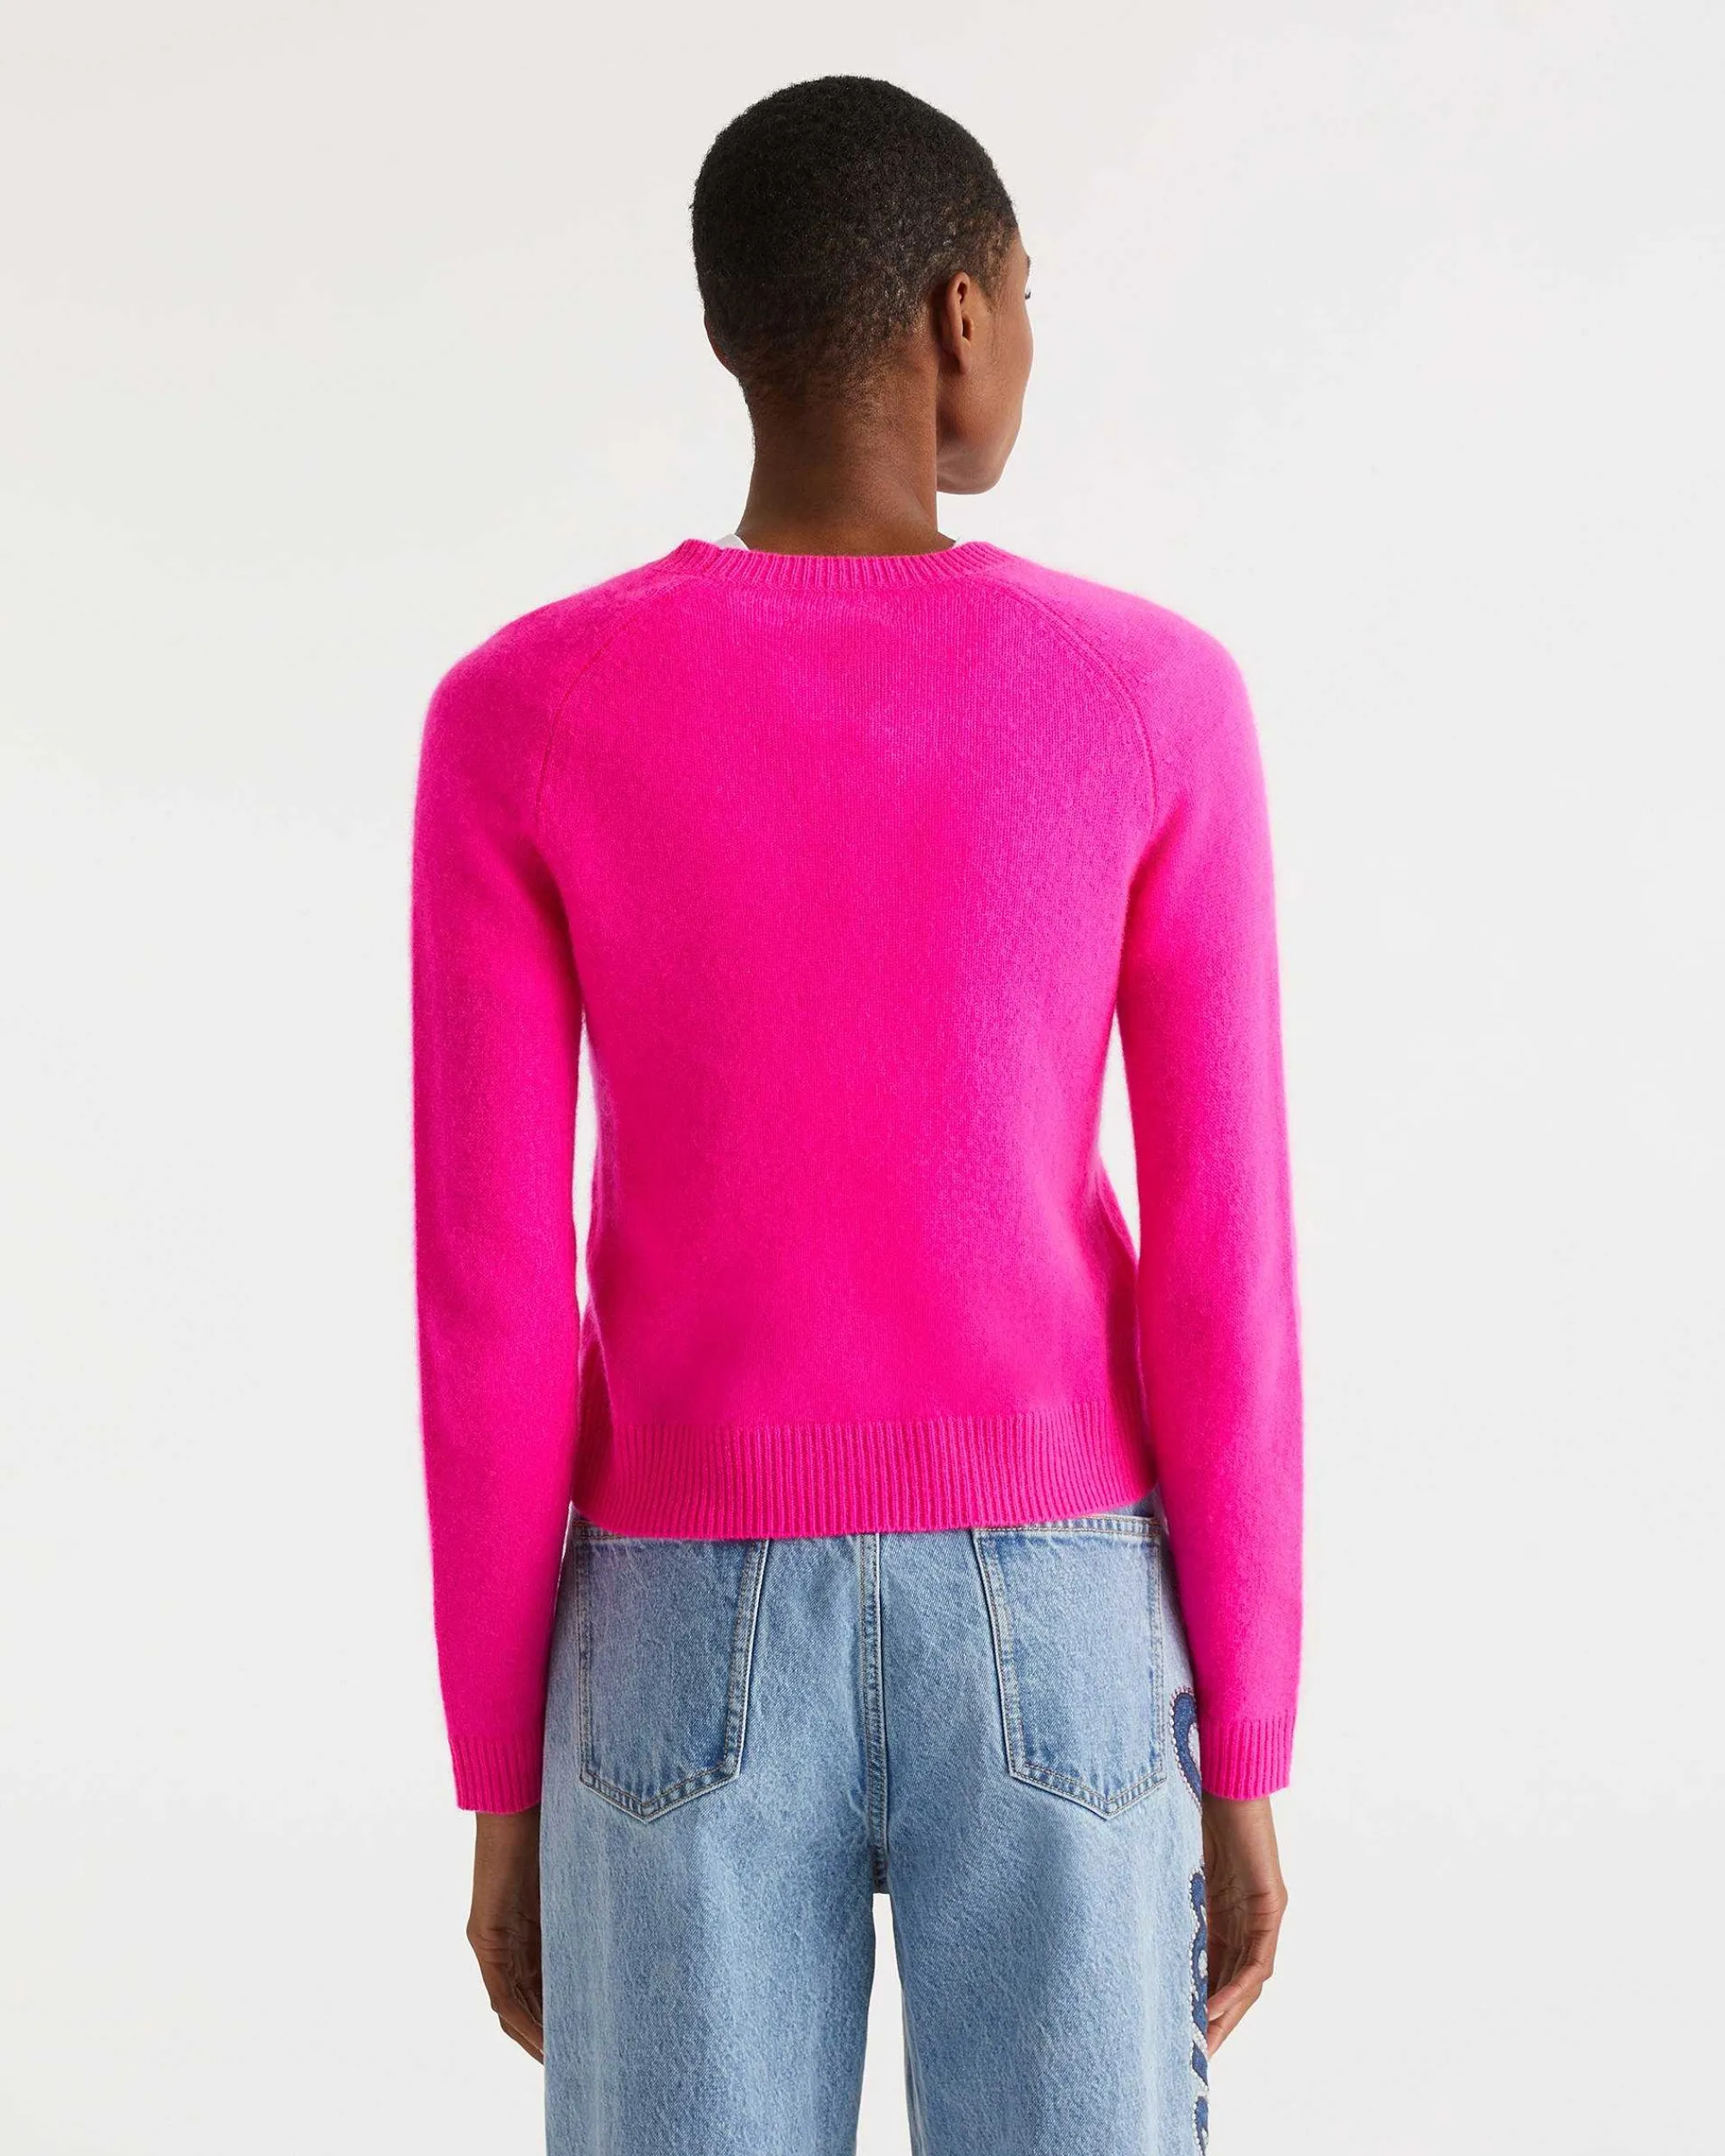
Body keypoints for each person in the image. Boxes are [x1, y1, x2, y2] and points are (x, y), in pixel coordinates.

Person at [411, 72, 1301, 2156]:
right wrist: (1246, 1743)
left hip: (671, 1618)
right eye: (1024, 295)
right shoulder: (1152, 700)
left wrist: (502, 1778)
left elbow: (491, 1306)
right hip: (1062, 1616)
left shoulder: (522, 715)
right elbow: (1223, 1268)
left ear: (739, 330)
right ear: (958, 317)